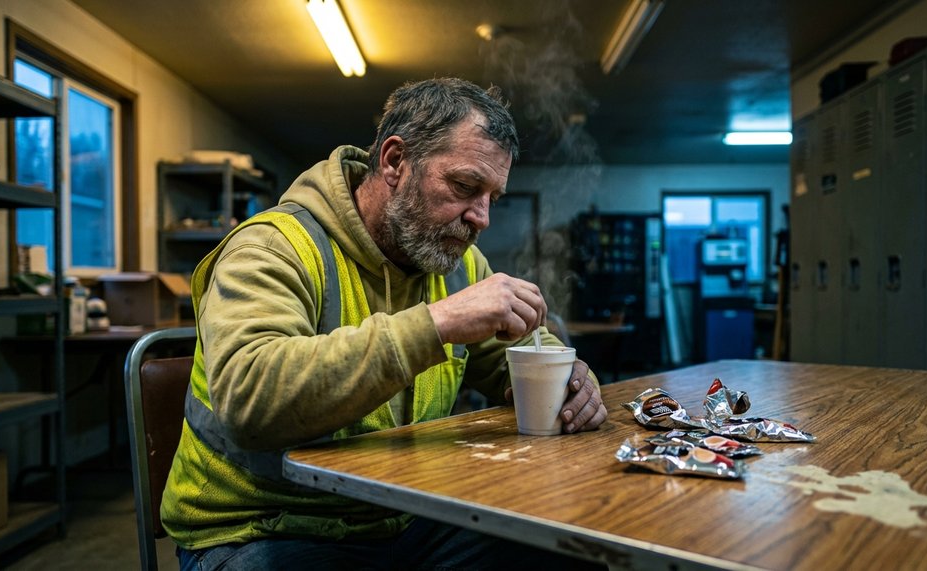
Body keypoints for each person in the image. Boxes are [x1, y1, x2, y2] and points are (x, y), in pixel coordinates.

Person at [162, 77, 608, 570]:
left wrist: (571, 379)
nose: (481, 218)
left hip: (406, 513)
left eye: (492, 198)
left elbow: (517, 359)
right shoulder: (272, 248)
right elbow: (250, 401)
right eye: (464, 187)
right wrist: (439, 322)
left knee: (572, 551)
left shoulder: (458, 263)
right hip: (266, 525)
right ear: (395, 161)